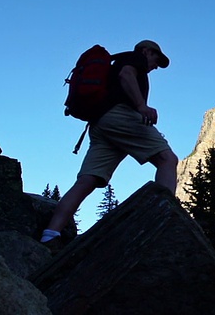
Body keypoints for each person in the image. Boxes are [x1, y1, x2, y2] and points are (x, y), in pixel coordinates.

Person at [40, 40, 179, 252]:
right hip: (120, 116)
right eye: (156, 59)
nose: (155, 66)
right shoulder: (135, 58)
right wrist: (141, 106)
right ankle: (165, 215)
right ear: (146, 51)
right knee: (167, 159)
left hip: (100, 124)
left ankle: (50, 235)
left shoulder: (117, 63)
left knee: (87, 180)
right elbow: (126, 75)